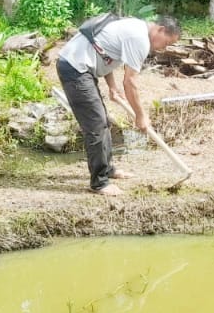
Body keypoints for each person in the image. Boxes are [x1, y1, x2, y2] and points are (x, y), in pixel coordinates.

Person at [56, 13, 182, 196]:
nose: (164, 48)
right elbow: (130, 82)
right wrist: (140, 115)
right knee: (96, 124)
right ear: (161, 30)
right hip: (75, 68)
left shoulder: (135, 27)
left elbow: (105, 52)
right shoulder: (139, 39)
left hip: (82, 66)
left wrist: (112, 86)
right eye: (167, 42)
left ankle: (107, 169)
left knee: (103, 121)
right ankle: (99, 183)